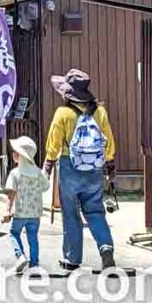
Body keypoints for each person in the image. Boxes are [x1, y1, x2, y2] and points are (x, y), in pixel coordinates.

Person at [43, 69, 117, 272]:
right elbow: (108, 141)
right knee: (95, 210)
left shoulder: (63, 113)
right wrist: (110, 167)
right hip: (94, 167)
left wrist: (47, 168)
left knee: (70, 212)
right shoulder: (99, 111)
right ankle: (105, 248)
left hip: (69, 166)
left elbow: (53, 144)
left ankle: (72, 258)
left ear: (67, 94)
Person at [3, 136, 48, 275]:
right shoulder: (38, 172)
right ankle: (34, 265)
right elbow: (46, 186)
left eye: (15, 152)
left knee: (13, 233)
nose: (13, 154)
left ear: (21, 155)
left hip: (20, 212)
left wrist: (7, 210)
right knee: (33, 237)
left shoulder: (15, 173)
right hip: (35, 213)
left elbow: (11, 193)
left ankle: (20, 256)